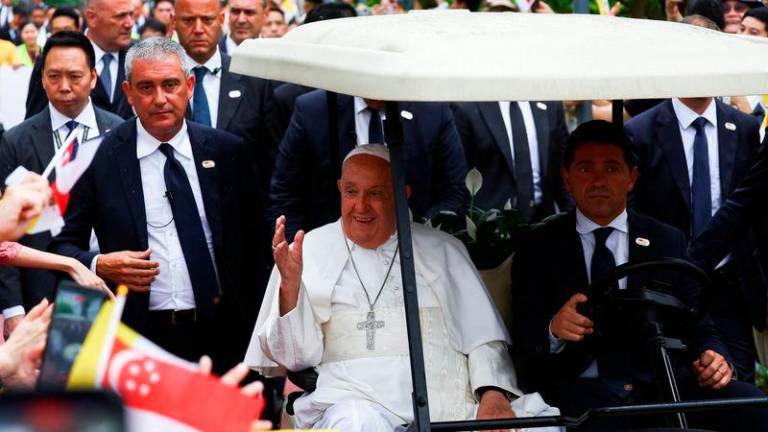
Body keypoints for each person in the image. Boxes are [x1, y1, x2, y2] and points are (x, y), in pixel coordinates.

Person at [247, 144, 559, 430]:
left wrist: (492, 395)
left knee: (539, 426)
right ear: (340, 189)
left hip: (449, 406)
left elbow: (483, 339)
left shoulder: (443, 249)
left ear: (402, 193)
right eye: (352, 192)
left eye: (376, 193)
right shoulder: (310, 250)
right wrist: (290, 287)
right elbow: (295, 360)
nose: (361, 206)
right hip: (355, 404)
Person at [512, 120, 768, 432]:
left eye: (611, 168)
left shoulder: (666, 240)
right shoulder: (539, 246)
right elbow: (523, 334)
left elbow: (700, 323)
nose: (598, 181)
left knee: (750, 405)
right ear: (566, 178)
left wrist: (714, 356)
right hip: (581, 390)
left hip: (661, 384)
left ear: (631, 177)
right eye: (584, 169)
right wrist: (554, 328)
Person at [48, 37, 268, 375]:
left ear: (189, 85)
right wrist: (98, 263)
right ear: (128, 92)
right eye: (146, 87)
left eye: (170, 85)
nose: (160, 99)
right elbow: (61, 246)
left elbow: (255, 249)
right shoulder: (100, 157)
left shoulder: (227, 153)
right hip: (139, 337)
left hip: (223, 331)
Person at [625, 97, 764, 382]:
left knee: (739, 390)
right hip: (668, 289)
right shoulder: (641, 130)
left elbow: (749, 206)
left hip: (730, 288)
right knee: (675, 386)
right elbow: (632, 218)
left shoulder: (744, 127)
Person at [0, 31, 125, 334]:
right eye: (54, 76)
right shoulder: (16, 141)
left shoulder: (120, 132)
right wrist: (13, 309)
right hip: (42, 292)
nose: (64, 86)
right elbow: (4, 236)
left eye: (75, 76)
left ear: (93, 77)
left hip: (111, 281)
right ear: (41, 78)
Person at [270, 90, 467, 241]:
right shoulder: (314, 110)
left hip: (413, 256)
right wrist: (302, 258)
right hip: (331, 263)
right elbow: (286, 195)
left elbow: (454, 191)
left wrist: (417, 241)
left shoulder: (431, 111)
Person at [174, 0, 275, 195]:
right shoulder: (161, 83)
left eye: (207, 20)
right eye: (188, 20)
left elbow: (269, 157)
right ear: (173, 22)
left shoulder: (254, 80)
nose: (198, 29)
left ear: (221, 19)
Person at [451, 101, 572, 220]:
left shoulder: (548, 102)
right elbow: (455, 180)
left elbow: (563, 169)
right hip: (489, 227)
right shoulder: (467, 106)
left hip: (542, 223)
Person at [25, 0, 135, 120]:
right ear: (92, 17)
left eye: (131, 14)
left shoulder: (139, 57)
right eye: (120, 16)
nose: (129, 23)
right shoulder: (53, 59)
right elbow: (34, 125)